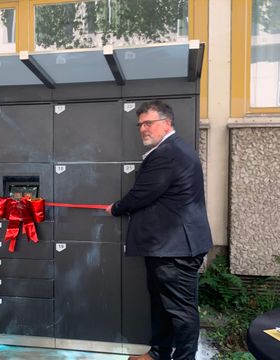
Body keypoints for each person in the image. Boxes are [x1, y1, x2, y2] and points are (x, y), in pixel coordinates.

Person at [106, 100, 213, 360]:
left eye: (148, 123)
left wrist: (116, 208)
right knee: (162, 304)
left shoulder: (168, 153)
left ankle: (183, 358)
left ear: (167, 123)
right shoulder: (171, 150)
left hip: (175, 248)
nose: (143, 129)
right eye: (140, 124)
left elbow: (143, 194)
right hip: (166, 246)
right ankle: (158, 353)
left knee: (180, 310)